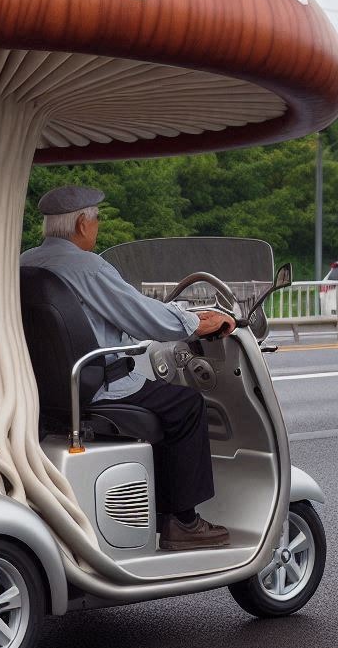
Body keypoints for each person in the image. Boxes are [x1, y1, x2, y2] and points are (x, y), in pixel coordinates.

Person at [20, 185, 236, 551]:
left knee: (170, 404)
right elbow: (144, 317)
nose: (97, 226)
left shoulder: (27, 261)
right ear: (82, 225)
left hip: (45, 389)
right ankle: (182, 521)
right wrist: (200, 322)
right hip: (100, 387)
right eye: (96, 219)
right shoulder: (87, 266)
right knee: (186, 406)